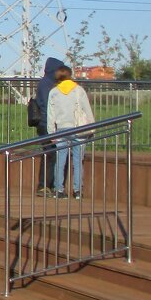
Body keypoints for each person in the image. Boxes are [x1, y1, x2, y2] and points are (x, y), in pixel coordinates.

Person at [46, 65, 95, 200]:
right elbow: (87, 109)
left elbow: (51, 115)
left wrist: (51, 133)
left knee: (60, 160)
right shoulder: (79, 90)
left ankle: (59, 190)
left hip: (61, 129)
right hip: (78, 129)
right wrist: (92, 126)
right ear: (70, 74)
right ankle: (77, 190)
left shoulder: (54, 92)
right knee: (78, 161)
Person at [33, 57, 65, 196]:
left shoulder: (47, 82)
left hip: (47, 124)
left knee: (51, 154)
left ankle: (48, 185)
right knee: (50, 155)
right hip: (47, 124)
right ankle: (43, 186)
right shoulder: (47, 84)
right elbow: (48, 106)